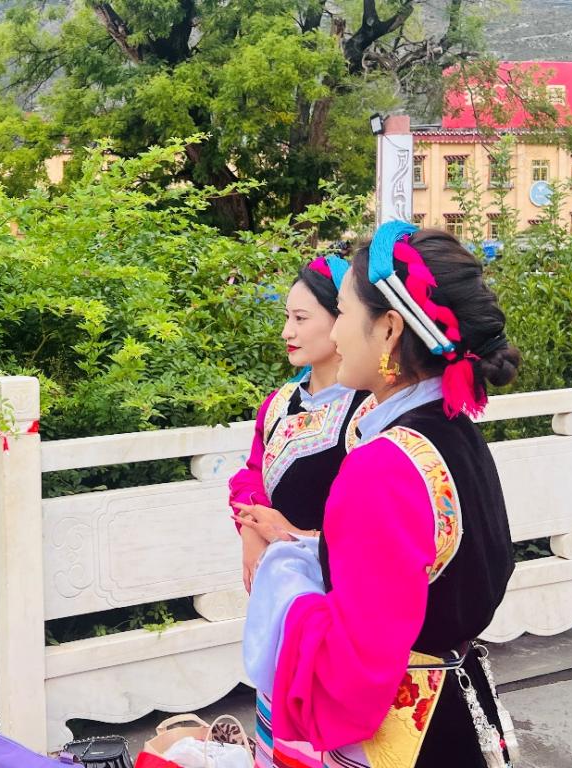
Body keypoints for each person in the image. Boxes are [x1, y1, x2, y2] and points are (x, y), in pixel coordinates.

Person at [241, 222, 519, 768]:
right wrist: (310, 545)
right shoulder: (451, 429)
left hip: (398, 736)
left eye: (343, 313)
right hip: (459, 703)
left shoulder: (382, 465)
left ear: (389, 329)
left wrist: (284, 573)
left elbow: (352, 666)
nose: (337, 334)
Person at [228, 256, 374, 768]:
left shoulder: (368, 411)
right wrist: (252, 531)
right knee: (279, 738)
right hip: (281, 602)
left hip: (339, 606)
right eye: (286, 317)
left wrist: (292, 534)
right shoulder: (280, 403)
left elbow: (366, 521)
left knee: (329, 742)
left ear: (343, 319)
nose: (287, 331)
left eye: (301, 318)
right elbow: (250, 475)